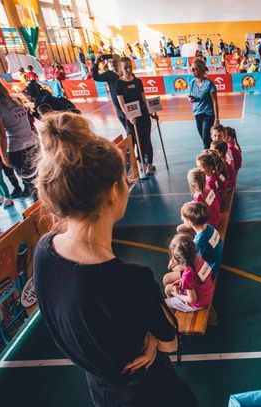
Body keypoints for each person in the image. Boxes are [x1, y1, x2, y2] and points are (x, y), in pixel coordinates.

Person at [33, 112, 198, 407]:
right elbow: (170, 342)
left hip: (102, 390)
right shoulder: (128, 278)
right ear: (112, 192)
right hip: (150, 394)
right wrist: (153, 339)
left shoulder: (44, 251)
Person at [115, 57, 155, 175]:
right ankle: (141, 163)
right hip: (131, 116)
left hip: (143, 115)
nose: (128, 70)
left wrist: (150, 112)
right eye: (125, 68)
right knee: (137, 141)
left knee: (146, 140)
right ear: (121, 69)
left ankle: (149, 164)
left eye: (130, 67)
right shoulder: (119, 83)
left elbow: (143, 98)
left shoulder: (138, 81)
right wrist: (129, 116)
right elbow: (122, 103)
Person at [0, 81, 39, 199]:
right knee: (39, 178)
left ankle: (40, 206)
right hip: (33, 142)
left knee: (31, 183)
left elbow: (2, 135)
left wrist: (4, 156)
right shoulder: (16, 100)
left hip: (17, 148)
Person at [163, 233, 215, 312]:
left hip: (199, 303)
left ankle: (174, 314)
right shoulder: (200, 259)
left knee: (164, 304)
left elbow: (192, 299)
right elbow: (197, 279)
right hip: (207, 291)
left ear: (180, 260)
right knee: (167, 288)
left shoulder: (187, 276)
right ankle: (176, 306)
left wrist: (177, 295)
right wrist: (179, 282)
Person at [180, 202, 223, 280]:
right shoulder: (209, 227)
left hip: (209, 271)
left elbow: (196, 263)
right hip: (217, 258)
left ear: (190, 222)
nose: (182, 219)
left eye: (183, 219)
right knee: (180, 228)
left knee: (167, 277)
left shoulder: (198, 243)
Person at [189, 59, 220, 149]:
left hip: (208, 114)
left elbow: (215, 101)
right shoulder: (191, 83)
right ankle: (216, 152)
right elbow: (190, 96)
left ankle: (208, 156)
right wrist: (191, 99)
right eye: (191, 69)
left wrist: (217, 119)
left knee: (206, 140)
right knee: (205, 139)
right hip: (197, 114)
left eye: (194, 69)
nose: (192, 71)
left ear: (201, 69)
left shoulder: (209, 83)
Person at [92, 54, 127, 130]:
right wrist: (96, 63)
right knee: (129, 132)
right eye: (110, 61)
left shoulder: (125, 73)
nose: (112, 63)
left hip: (128, 107)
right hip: (119, 110)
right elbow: (95, 77)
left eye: (114, 61)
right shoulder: (110, 74)